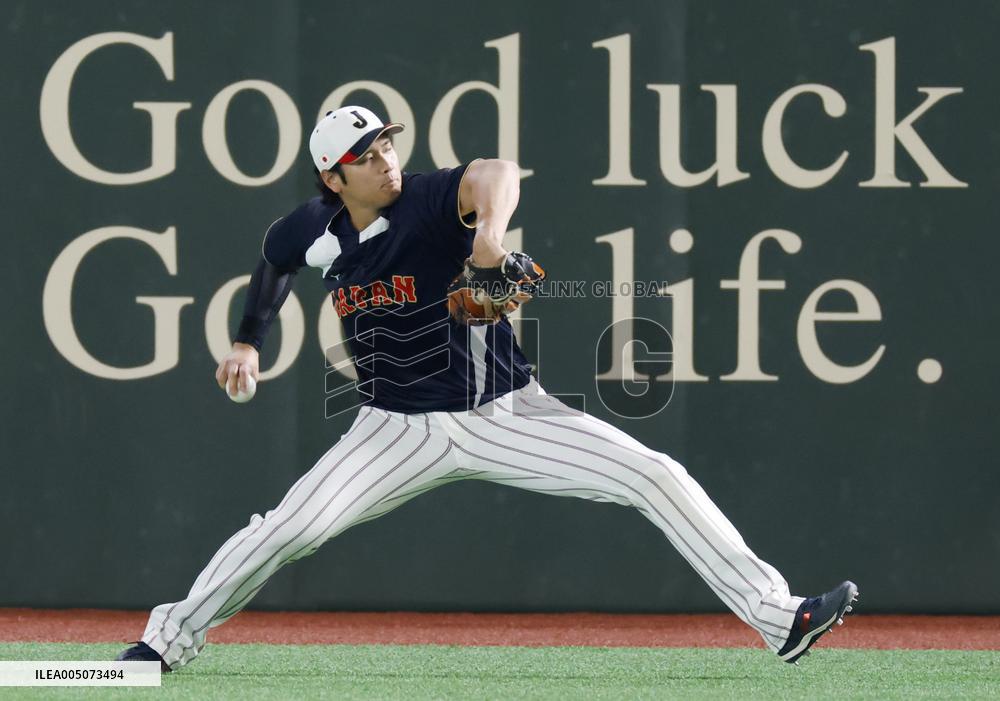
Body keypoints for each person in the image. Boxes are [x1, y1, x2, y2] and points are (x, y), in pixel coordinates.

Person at [117, 105, 857, 672]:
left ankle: (778, 617)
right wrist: (249, 337)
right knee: (287, 529)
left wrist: (489, 235)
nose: (385, 162)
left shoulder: (429, 198)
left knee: (655, 473)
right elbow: (274, 265)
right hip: (393, 427)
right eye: (364, 158)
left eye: (386, 145)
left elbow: (496, 170)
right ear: (332, 179)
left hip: (502, 411)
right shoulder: (311, 229)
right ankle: (161, 646)